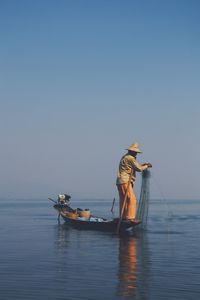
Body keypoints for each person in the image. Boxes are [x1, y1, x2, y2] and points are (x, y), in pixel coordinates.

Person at [116, 143, 152, 221]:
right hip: (125, 180)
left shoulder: (125, 157)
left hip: (120, 181)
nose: (136, 153)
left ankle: (123, 217)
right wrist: (147, 166)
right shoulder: (130, 158)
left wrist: (143, 164)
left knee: (124, 200)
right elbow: (139, 169)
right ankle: (130, 217)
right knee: (132, 199)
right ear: (131, 151)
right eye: (135, 152)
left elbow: (134, 166)